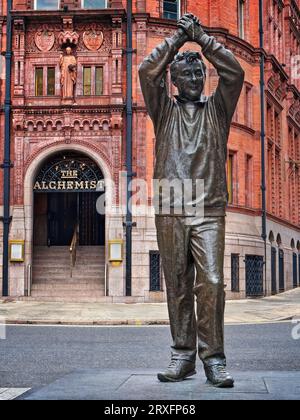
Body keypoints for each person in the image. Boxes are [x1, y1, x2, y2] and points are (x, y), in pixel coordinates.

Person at [139, 14, 244, 388]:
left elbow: (234, 73)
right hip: (170, 207)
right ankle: (182, 355)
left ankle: (213, 358)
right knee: (178, 283)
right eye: (188, 76)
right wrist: (177, 39)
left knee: (212, 282)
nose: (197, 81)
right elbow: (146, 70)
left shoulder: (217, 110)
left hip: (208, 208)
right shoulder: (163, 111)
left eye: (200, 76)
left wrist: (202, 39)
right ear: (175, 81)